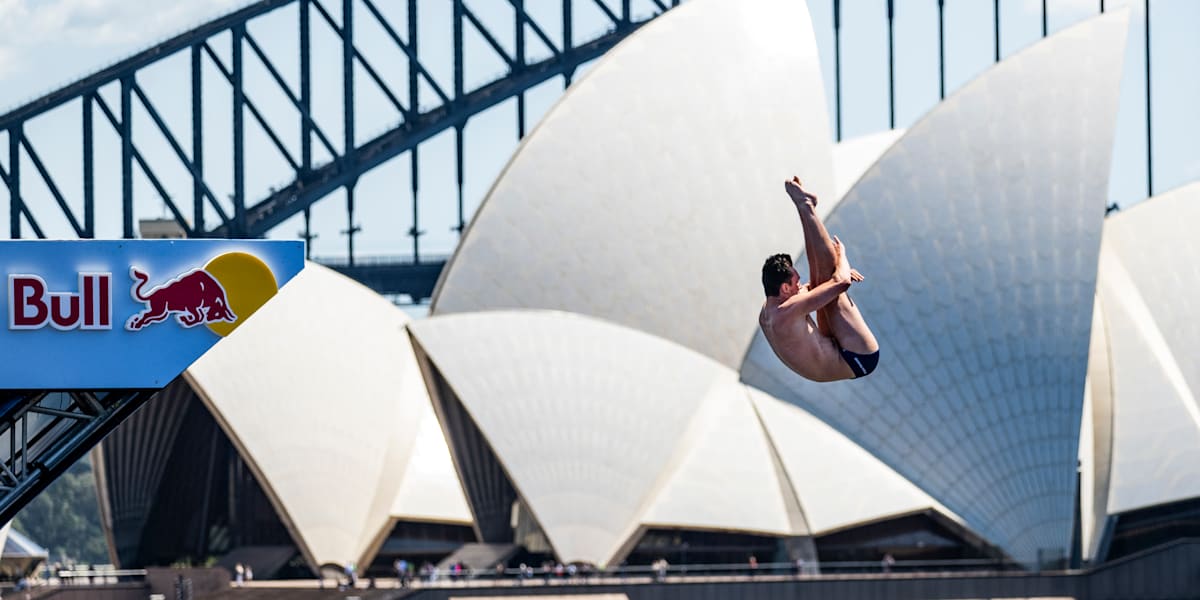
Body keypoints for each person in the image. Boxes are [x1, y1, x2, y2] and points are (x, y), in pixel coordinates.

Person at [760, 177, 880, 382]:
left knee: (821, 284)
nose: (800, 284)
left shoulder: (768, 310)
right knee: (829, 283)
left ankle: (804, 207)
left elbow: (812, 288)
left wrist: (834, 278)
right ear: (785, 288)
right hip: (858, 357)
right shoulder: (787, 310)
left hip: (831, 351)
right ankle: (805, 206)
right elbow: (842, 282)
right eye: (795, 283)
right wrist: (843, 256)